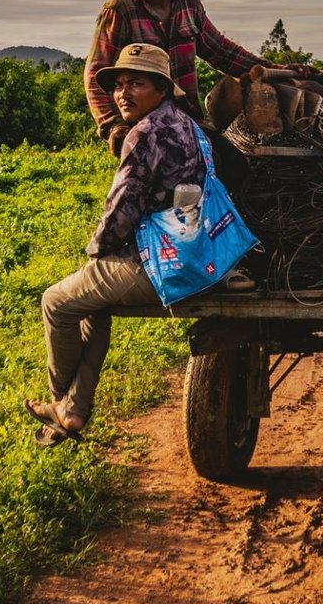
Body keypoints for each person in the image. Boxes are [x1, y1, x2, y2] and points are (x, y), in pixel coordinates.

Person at [28, 43, 205, 445]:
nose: (123, 93)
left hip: (160, 263)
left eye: (136, 83)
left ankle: (60, 404)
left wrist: (97, 251)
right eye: (119, 85)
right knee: (94, 307)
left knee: (56, 302)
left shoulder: (145, 134)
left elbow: (123, 207)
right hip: (191, 249)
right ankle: (74, 411)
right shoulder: (183, 123)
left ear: (160, 88)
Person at [85, 0, 307, 154]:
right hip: (142, 125)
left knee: (232, 168)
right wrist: (113, 126)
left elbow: (221, 51)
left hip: (186, 119)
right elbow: (95, 72)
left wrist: (272, 69)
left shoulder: (187, 1)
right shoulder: (120, 9)